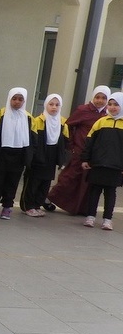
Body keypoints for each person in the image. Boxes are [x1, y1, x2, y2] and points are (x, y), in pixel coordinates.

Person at [47, 85, 111, 215]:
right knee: (70, 177)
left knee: (86, 182)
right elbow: (68, 126)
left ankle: (81, 208)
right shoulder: (83, 110)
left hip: (95, 154)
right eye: (97, 97)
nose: (100, 101)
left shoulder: (107, 114)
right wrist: (71, 145)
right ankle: (50, 198)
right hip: (80, 151)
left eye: (104, 98)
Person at [0, 87, 36, 220]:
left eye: (20, 99)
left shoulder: (29, 118)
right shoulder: (1, 114)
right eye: (14, 99)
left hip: (18, 156)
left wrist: (29, 156)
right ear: (9, 99)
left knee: (12, 183)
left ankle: (7, 206)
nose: (17, 102)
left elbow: (33, 139)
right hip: (0, 154)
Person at [19, 94, 69, 217]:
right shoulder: (38, 121)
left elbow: (66, 141)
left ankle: (37, 204)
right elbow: (32, 140)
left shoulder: (63, 123)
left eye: (57, 105)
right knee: (33, 181)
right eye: (51, 104)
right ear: (46, 105)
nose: (54, 107)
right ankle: (28, 205)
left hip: (52, 155)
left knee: (45, 182)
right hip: (39, 155)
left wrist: (62, 158)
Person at [81, 92, 123, 231]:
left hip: (115, 166)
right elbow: (89, 141)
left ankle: (107, 219)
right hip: (98, 164)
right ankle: (90, 217)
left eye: (116, 104)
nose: (112, 107)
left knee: (110, 193)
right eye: (110, 104)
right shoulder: (100, 122)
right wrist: (85, 159)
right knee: (94, 191)